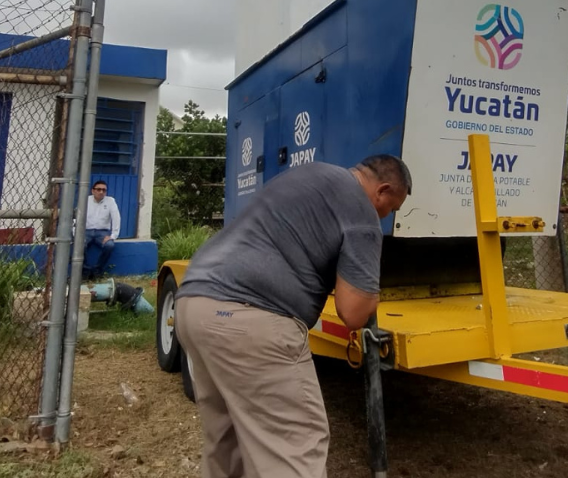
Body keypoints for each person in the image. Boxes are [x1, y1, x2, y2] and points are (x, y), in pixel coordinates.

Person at [175, 155, 411, 478]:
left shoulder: (310, 175)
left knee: (228, 445)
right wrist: (372, 288)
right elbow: (353, 312)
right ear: (382, 190)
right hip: (251, 319)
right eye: (391, 208)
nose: (386, 216)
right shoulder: (362, 211)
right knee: (296, 445)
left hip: (194, 303)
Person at [82, 180, 120, 282]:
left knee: (110, 245)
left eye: (104, 190)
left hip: (102, 232)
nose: (101, 192)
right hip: (86, 231)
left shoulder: (110, 201)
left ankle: (97, 271)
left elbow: (116, 218)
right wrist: (75, 233)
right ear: (93, 191)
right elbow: (77, 216)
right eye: (98, 189)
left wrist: (113, 236)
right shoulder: (85, 200)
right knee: (79, 245)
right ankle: (85, 272)